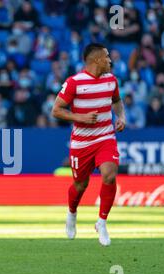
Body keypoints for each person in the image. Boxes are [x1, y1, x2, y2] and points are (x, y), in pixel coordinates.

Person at [51, 43, 126, 246]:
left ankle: (101, 222)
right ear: (97, 60)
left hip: (105, 138)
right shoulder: (74, 82)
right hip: (82, 143)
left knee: (109, 175)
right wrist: (81, 117)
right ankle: (72, 214)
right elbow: (56, 110)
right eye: (107, 57)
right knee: (80, 185)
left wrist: (120, 117)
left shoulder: (111, 80)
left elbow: (117, 101)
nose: (110, 60)